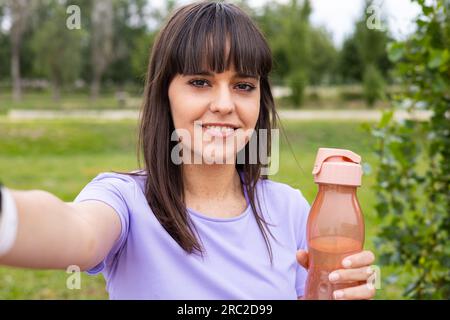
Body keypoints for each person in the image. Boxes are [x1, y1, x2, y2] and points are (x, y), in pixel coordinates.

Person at [0, 1, 375, 300]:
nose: (224, 104)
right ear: (165, 94)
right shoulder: (124, 201)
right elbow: (74, 232)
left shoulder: (290, 210)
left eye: (243, 85)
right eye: (200, 81)